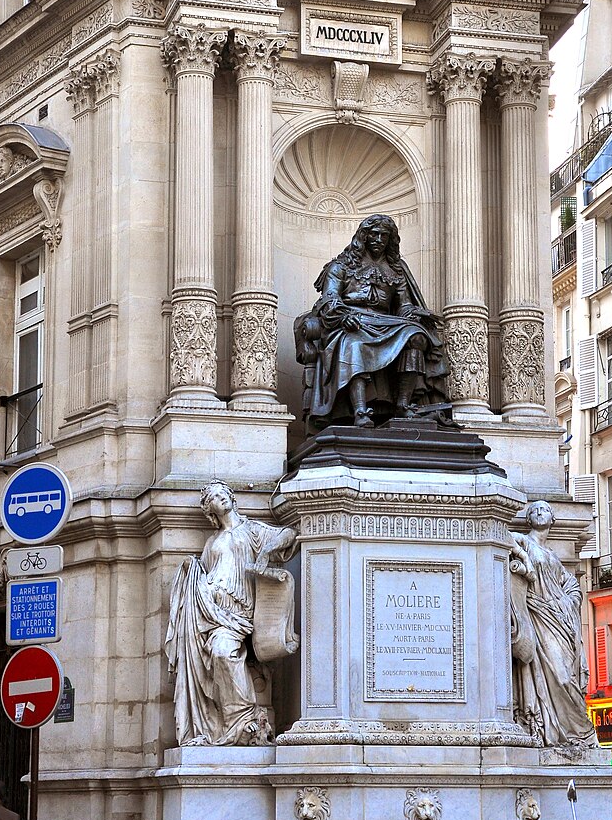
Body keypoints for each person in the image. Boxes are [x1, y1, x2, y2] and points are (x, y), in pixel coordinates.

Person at [165, 481, 296, 747]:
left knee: (224, 652)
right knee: (212, 655)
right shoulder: (212, 542)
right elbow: (206, 572)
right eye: (213, 497)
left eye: (223, 493)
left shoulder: (251, 530)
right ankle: (218, 723)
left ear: (232, 498)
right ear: (209, 509)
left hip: (238, 613)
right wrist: (193, 573)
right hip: (210, 611)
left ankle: (243, 717)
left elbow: (288, 534)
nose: (220, 498)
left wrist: (267, 552)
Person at [294, 214, 447, 428]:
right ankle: (360, 411)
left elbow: (402, 305)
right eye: (374, 234)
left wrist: (415, 313)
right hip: (351, 322)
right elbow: (329, 300)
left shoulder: (397, 270)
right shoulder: (341, 266)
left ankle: (403, 405)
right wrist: (343, 316)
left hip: (386, 323)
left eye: (384, 235)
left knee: (417, 336)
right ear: (363, 236)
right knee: (354, 344)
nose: (379, 239)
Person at [509, 500, 598, 749]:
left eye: (545, 509)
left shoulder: (553, 557)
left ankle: (576, 733)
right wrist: (524, 558)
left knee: (566, 675)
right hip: (538, 615)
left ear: (553, 519)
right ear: (528, 519)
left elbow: (570, 585)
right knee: (560, 676)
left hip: (557, 618)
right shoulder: (525, 542)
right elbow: (504, 536)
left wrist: (567, 602)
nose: (539, 512)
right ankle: (570, 731)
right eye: (534, 510)